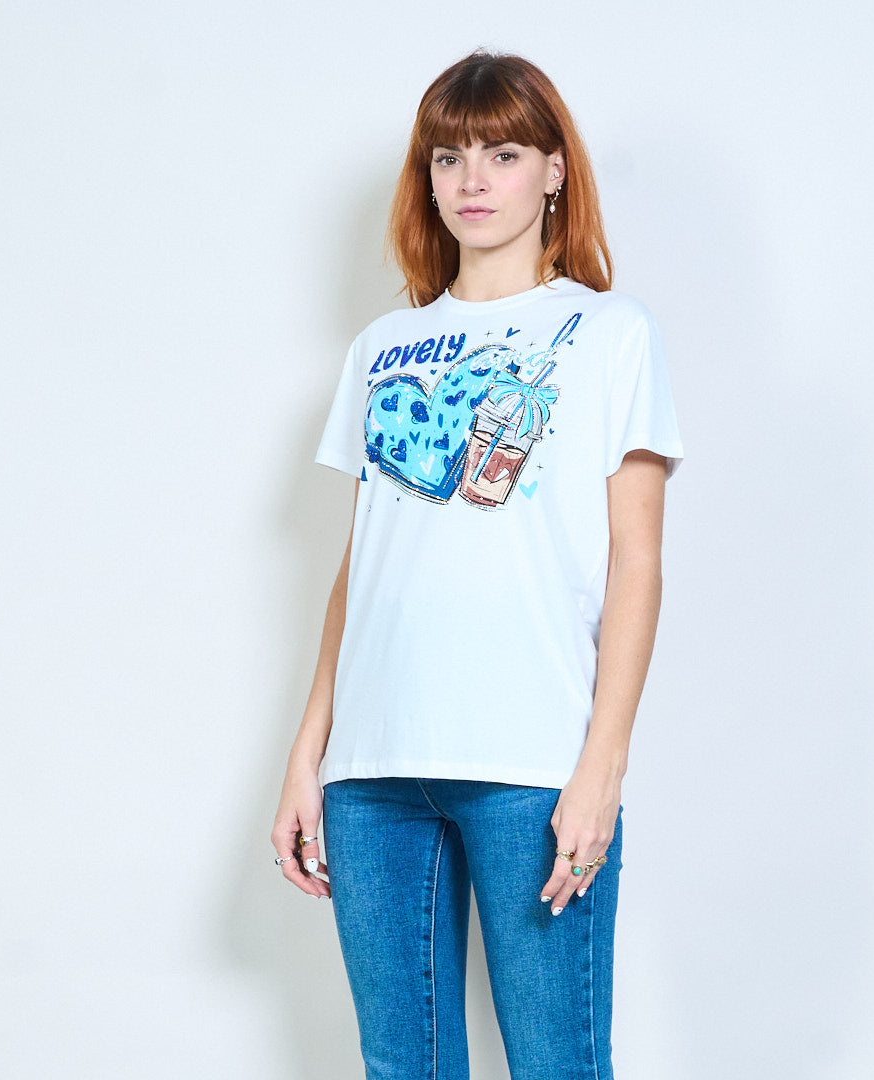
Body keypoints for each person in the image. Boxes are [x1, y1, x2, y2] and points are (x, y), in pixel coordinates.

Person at [271, 49, 683, 1080]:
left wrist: (602, 766)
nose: (473, 181)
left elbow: (637, 563)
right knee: (401, 1068)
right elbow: (363, 567)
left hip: (532, 769)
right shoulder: (382, 346)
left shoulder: (610, 333)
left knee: (556, 1064)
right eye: (448, 158)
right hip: (374, 776)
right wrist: (309, 752)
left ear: (553, 171)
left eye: (503, 154)